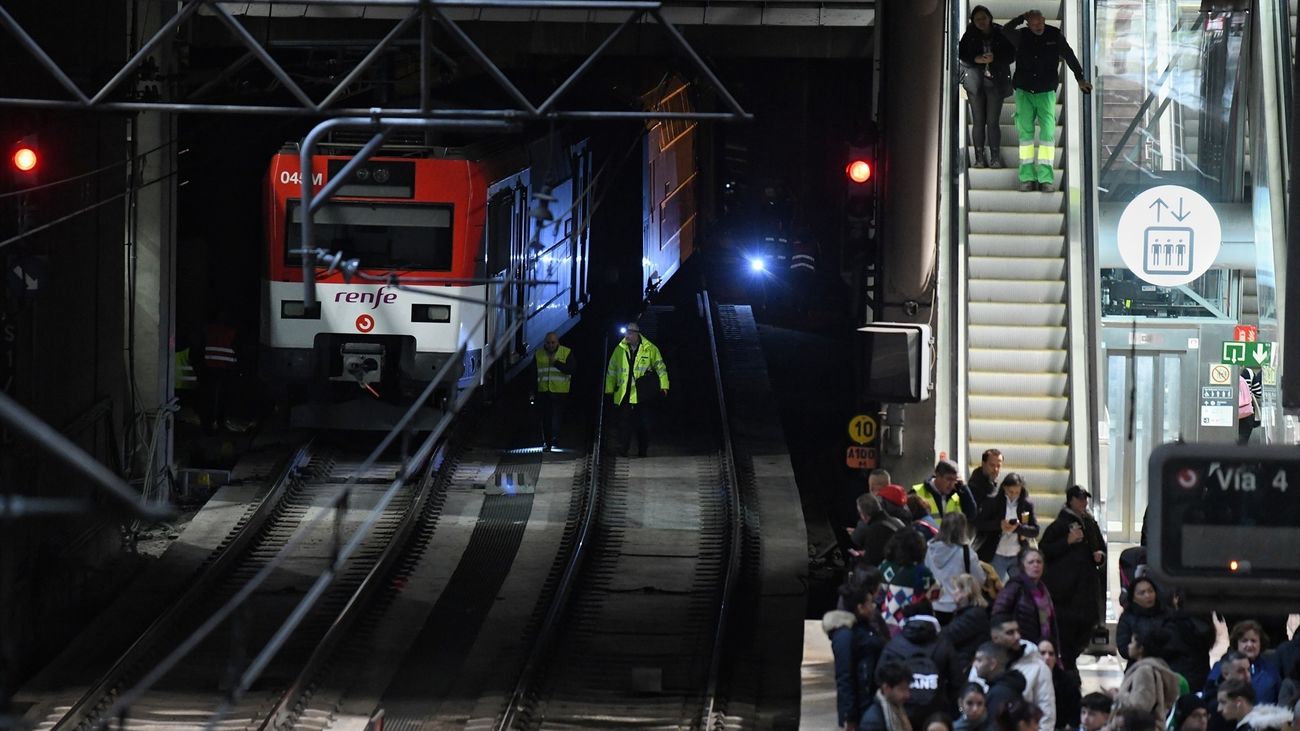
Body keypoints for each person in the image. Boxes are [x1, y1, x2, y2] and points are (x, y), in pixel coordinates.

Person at [1002, 9, 1092, 192]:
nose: (1038, 27)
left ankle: (1045, 178)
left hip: (1046, 91)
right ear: (1028, 23)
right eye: (1033, 24)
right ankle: (1026, 177)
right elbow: (1005, 30)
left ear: (1044, 20)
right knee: (1025, 136)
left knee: (1048, 135)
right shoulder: (1021, 35)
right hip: (1024, 90)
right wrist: (1020, 17)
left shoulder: (1054, 35)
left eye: (1040, 22)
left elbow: (1069, 56)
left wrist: (1080, 78)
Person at [1039, 485, 1106, 670]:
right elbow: (1045, 548)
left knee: (1085, 628)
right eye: (1079, 499)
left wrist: (1099, 556)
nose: (1083, 503)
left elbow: (1100, 546)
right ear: (1070, 500)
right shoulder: (1060, 525)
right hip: (1065, 591)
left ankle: (1069, 661)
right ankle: (1067, 665)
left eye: (1085, 499)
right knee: (1067, 631)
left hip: (1087, 589)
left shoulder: (1090, 523)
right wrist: (1066, 542)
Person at [880, 602, 967, 729]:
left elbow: (879, 677)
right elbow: (957, 682)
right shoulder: (944, 644)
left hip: (901, 711)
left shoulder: (894, 644)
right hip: (936, 714)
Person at [827, 568, 892, 731]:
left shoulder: (865, 625)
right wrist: (849, 717)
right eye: (870, 603)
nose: (873, 606)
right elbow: (845, 677)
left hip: (870, 696)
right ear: (860, 607)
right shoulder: (845, 634)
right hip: (862, 703)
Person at [974, 616, 1057, 731]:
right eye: (1010, 633)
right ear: (995, 637)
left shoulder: (1038, 666)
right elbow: (967, 699)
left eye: (1018, 631)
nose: (1017, 636)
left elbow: (1046, 712)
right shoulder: (982, 663)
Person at [958, 7, 1015, 169]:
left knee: (992, 121)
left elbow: (1011, 54)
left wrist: (995, 58)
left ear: (990, 18)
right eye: (977, 20)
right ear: (973, 21)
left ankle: (995, 157)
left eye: (983, 18)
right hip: (975, 81)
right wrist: (976, 59)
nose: (981, 22)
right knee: (978, 121)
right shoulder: (969, 35)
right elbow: (961, 53)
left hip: (995, 81)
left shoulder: (1001, 33)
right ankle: (979, 157)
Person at [604, 322, 669, 458]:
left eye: (629, 333)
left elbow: (661, 368)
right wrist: (609, 389)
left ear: (636, 334)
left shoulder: (650, 349)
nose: (626, 336)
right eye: (625, 333)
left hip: (643, 395)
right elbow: (612, 370)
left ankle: (642, 450)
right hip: (625, 394)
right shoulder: (620, 349)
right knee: (624, 424)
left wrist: (664, 386)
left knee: (644, 425)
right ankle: (623, 449)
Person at [992, 549, 1060, 652]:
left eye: (1039, 562)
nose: (1036, 565)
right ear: (1023, 566)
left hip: (1040, 646)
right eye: (1031, 562)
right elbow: (998, 613)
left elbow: (1051, 622)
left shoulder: (1043, 590)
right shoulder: (1015, 586)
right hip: (1019, 645)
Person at [1113, 626, 1184, 725]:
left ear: (1141, 648)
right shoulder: (1155, 668)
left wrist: (1118, 696)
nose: (1129, 646)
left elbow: (1140, 706)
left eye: (1132, 642)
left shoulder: (1144, 671)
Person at [975, 473, 1039, 582]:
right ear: (1004, 488)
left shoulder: (1026, 504)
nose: (1013, 495)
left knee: (1018, 589)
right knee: (995, 588)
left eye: (1017, 493)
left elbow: (1035, 531)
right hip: (996, 553)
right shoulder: (992, 501)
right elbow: (980, 524)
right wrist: (999, 525)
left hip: (1017, 554)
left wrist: (1018, 528)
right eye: (1010, 492)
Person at [926, 514, 987, 625]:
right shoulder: (967, 553)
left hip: (932, 606)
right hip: (957, 607)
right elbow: (979, 580)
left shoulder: (928, 549)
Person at [879, 529, 941, 635]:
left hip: (885, 622)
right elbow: (935, 595)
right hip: (911, 626)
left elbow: (880, 592)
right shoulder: (922, 572)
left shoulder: (885, 566)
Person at [1205, 621, 1283, 705]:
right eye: (1244, 641)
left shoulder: (1270, 669)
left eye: (1253, 641)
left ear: (1260, 643)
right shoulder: (1221, 666)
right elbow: (1209, 696)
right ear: (1236, 643)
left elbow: (1280, 698)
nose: (1249, 645)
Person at [200, 305, 243, 434]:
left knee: (211, 396)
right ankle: (220, 422)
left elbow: (201, 346)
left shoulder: (208, 330)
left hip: (210, 367)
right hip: (225, 368)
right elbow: (237, 350)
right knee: (223, 396)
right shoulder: (232, 332)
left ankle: (209, 423)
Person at [942, 573, 991, 674]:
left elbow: (949, 635)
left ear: (965, 591)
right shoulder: (969, 612)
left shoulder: (974, 615)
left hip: (966, 665)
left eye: (956, 588)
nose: (953, 592)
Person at [533, 331, 574, 451]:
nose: (551, 345)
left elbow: (571, 369)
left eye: (553, 342)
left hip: (560, 392)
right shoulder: (538, 354)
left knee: (556, 418)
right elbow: (533, 374)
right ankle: (548, 442)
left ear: (557, 342)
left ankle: (554, 438)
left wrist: (556, 363)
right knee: (546, 419)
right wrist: (532, 390)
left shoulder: (566, 352)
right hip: (544, 392)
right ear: (545, 343)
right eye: (548, 343)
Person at [970, 643, 1028, 721]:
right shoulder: (1008, 686)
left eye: (979, 660)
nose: (974, 664)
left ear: (992, 664)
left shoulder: (999, 694)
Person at [914, 459, 979, 525]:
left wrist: (964, 488)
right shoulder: (917, 493)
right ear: (938, 475)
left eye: (954, 480)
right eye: (949, 479)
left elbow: (971, 515)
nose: (952, 484)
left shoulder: (957, 494)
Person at [852, 493, 907, 567]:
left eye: (860, 513)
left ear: (864, 515)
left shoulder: (874, 532)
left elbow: (871, 562)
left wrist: (860, 556)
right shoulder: (897, 521)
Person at [1038, 640, 1080, 731]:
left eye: (1051, 654)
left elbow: (1075, 710)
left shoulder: (1067, 682)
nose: (1047, 657)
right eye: (1042, 653)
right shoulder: (1026, 679)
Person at [861, 661, 916, 731]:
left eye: (908, 689)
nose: (907, 695)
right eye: (902, 689)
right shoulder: (872, 723)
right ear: (886, 688)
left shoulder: (899, 711)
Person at [1237, 367, 1262, 445]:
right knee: (1242, 443)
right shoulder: (1248, 372)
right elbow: (1258, 393)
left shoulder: (1222, 371)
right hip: (1246, 414)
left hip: (1225, 414)